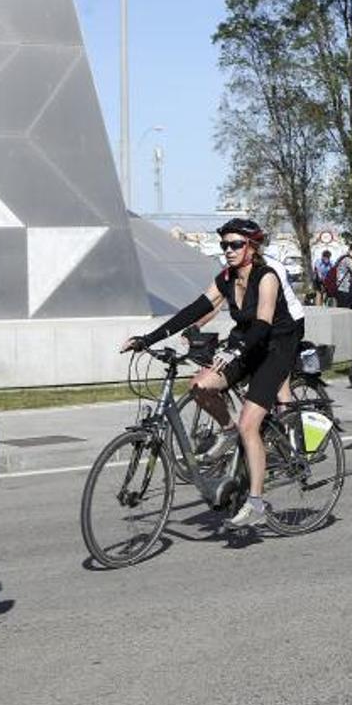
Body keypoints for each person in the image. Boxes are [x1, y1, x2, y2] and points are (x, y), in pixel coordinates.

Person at [121, 218, 297, 529]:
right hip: (245, 343)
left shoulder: (266, 277)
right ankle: (227, 430)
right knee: (200, 386)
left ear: (251, 247)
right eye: (224, 245)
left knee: (250, 425)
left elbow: (263, 323)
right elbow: (195, 308)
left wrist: (235, 350)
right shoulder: (226, 278)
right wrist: (148, 339)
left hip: (275, 347)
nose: (228, 250)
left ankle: (255, 502)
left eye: (235, 244)